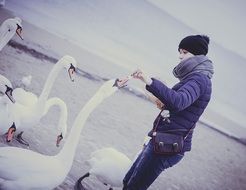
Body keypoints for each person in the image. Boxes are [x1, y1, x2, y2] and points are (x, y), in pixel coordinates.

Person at [123, 35, 214, 190]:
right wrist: (150, 91)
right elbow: (173, 106)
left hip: (167, 146)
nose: (180, 56)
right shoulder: (194, 77)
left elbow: (178, 101)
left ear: (197, 55)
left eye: (184, 52)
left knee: (133, 187)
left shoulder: (199, 79)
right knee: (128, 181)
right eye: (180, 51)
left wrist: (150, 81)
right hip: (161, 140)